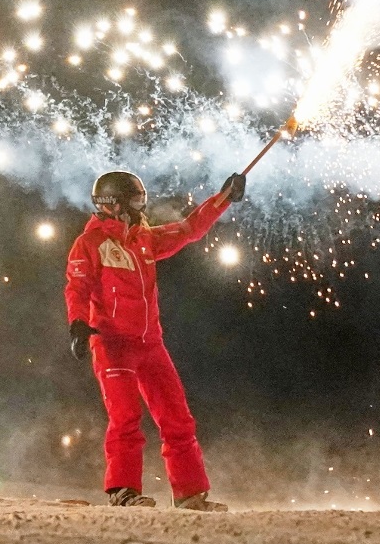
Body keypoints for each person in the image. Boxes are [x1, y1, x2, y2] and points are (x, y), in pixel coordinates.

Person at [64, 169, 245, 511]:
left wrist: (222, 200)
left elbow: (189, 229)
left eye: (141, 198)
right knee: (126, 417)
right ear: (113, 204)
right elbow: (77, 287)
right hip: (113, 345)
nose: (141, 206)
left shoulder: (143, 239)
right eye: (135, 200)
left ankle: (190, 494)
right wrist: (78, 323)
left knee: (177, 418)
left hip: (150, 344)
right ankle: (123, 491)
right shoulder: (90, 244)